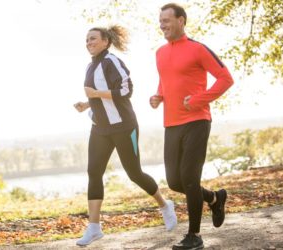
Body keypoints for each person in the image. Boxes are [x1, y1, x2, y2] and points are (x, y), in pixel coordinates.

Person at [74, 25, 177, 246]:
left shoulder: (112, 62)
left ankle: (164, 205)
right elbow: (98, 97)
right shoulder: (90, 67)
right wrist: (87, 103)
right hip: (100, 128)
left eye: (93, 38)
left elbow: (126, 89)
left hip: (123, 126)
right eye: (87, 40)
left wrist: (96, 94)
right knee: (94, 172)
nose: (89, 42)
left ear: (105, 42)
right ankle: (94, 227)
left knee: (134, 173)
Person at [150, 3, 234, 250]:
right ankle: (215, 198)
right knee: (175, 181)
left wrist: (199, 100)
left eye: (166, 20)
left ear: (181, 21)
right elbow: (166, 80)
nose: (162, 24)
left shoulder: (198, 49)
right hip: (171, 123)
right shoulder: (160, 53)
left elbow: (226, 78)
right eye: (160, 20)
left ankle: (194, 236)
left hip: (197, 121)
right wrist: (158, 96)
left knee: (189, 178)